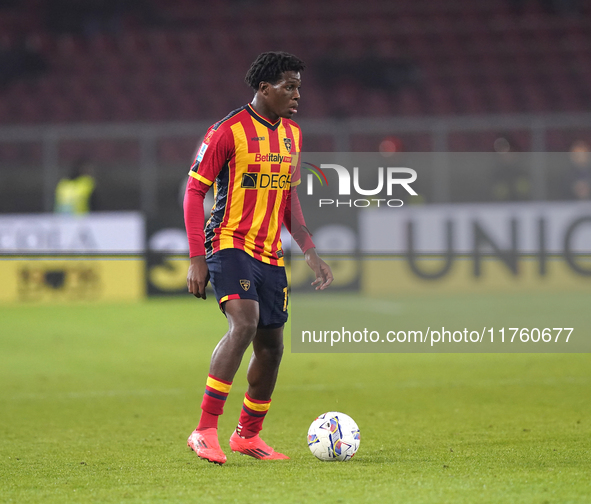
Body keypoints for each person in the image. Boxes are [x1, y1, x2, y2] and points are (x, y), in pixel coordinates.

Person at [183, 52, 333, 464]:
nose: (297, 94)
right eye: (289, 86)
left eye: (299, 86)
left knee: (272, 346)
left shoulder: (293, 135)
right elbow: (195, 192)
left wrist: (309, 250)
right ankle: (204, 430)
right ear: (264, 88)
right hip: (228, 243)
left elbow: (288, 197)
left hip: (269, 253)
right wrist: (197, 257)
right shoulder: (227, 131)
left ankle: (247, 436)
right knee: (244, 324)